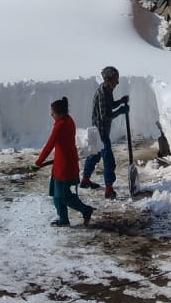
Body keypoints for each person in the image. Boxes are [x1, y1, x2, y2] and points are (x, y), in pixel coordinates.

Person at [35, 96, 93, 226]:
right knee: (57, 196)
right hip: (63, 164)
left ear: (60, 113)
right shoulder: (69, 120)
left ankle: (86, 210)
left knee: (63, 196)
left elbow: (49, 145)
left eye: (53, 112)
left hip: (64, 167)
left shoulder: (60, 126)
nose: (51, 115)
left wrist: (38, 162)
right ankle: (63, 219)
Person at [79, 65, 130, 198]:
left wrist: (120, 102)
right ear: (109, 79)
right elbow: (105, 116)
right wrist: (120, 111)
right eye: (116, 79)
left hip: (100, 130)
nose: (118, 82)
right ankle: (108, 189)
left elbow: (110, 105)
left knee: (95, 155)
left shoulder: (108, 90)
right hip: (100, 132)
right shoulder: (102, 92)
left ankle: (85, 180)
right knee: (109, 160)